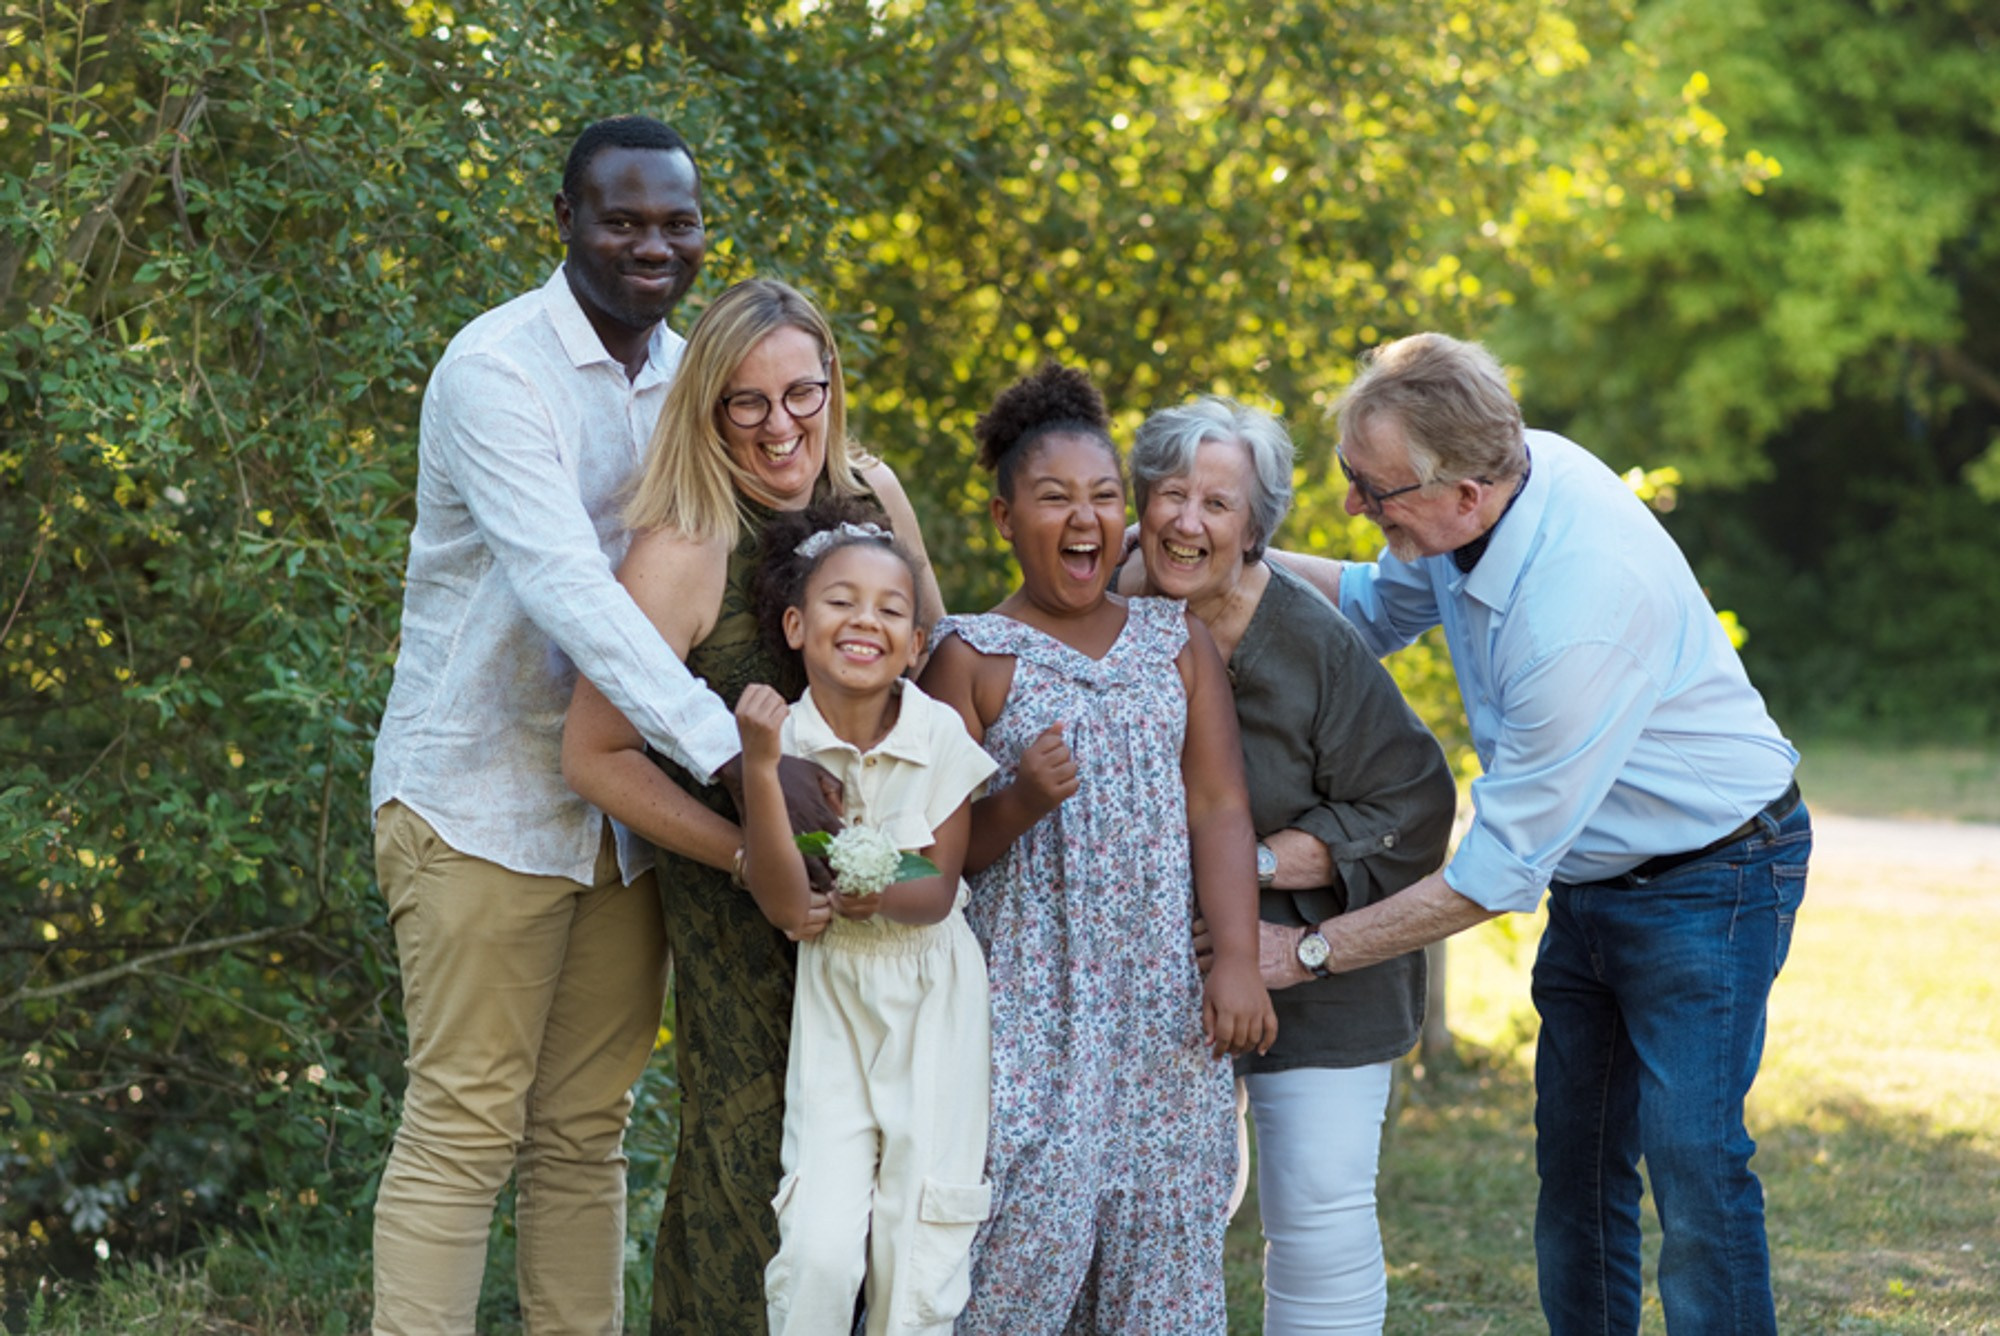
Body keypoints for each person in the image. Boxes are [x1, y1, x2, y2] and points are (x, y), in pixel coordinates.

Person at [1274, 333, 1810, 1335]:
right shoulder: (1477, 496)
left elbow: (1490, 874)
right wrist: (1220, 555)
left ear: (1463, 493)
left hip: (1717, 871)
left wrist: (1303, 951)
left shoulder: (1579, 604)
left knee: (1691, 1157)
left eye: (1370, 489)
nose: (1353, 504)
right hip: (1597, 875)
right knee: (1573, 1155)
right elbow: (1370, 607)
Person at [368, 115, 747, 1336]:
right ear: (567, 222)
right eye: (622, 219)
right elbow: (565, 587)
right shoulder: (498, 368)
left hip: (619, 816)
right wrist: (730, 753)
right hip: (477, 796)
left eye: (675, 222)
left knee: (586, 1133)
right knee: (464, 1125)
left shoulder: (693, 378)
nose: (653, 244)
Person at [560, 278, 942, 1335]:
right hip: (747, 937)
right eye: (746, 402)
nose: (782, 425)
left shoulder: (875, 496)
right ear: (707, 409)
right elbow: (592, 752)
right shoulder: (682, 545)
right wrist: (744, 857)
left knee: (900, 1198)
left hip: (897, 917)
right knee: (755, 1185)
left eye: (802, 392)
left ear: (832, 382)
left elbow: (942, 684)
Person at [919, 363, 1278, 1334]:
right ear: (1002, 517)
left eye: (1104, 496)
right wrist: (1020, 800)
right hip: (1028, 1017)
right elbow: (943, 862)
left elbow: (1217, 805)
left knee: (1162, 1258)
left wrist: (1238, 959)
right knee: (1017, 1256)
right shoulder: (969, 656)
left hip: (1162, 1009)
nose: (1086, 518)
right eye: (1053, 499)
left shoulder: (1174, 644)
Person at [1116, 396, 1456, 1334]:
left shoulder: (1311, 642)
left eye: (1217, 505)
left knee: (1316, 1213)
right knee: (1150, 1219)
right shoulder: (1099, 608)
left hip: (1320, 957)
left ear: (1256, 529)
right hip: (1154, 968)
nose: (1187, 523)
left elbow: (1414, 807)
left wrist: (1249, 870)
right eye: (1170, 495)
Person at [731, 506, 998, 1336]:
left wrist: (873, 891)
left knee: (919, 1238)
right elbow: (782, 901)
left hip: (935, 998)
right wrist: (765, 770)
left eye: (891, 609)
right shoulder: (781, 738)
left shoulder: (938, 732)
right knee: (817, 1245)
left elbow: (939, 885)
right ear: (796, 624)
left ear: (916, 646)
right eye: (842, 601)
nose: (865, 622)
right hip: (836, 1000)